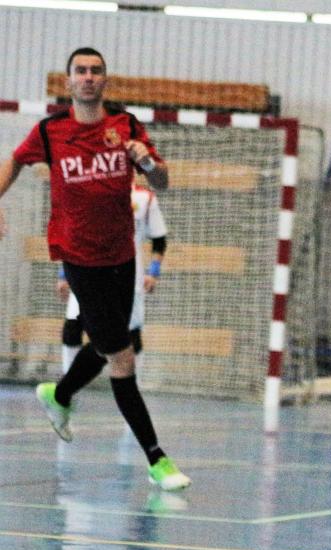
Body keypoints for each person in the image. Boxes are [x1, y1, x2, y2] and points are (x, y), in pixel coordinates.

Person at [0, 47, 189, 491]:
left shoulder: (126, 125)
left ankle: (59, 394)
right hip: (78, 256)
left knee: (108, 345)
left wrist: (147, 162)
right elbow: (16, 159)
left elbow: (162, 181)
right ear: (69, 81)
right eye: (80, 71)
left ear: (105, 79)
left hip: (122, 254)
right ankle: (157, 459)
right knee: (122, 356)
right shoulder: (50, 131)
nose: (88, 77)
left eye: (95, 71)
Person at [59, 180, 168, 373]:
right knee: (73, 326)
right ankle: (67, 383)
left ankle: (134, 384)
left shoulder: (144, 198)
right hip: (87, 273)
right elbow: (73, 236)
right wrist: (63, 274)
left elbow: (159, 239)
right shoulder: (88, 193)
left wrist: (153, 272)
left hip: (128, 277)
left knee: (131, 333)